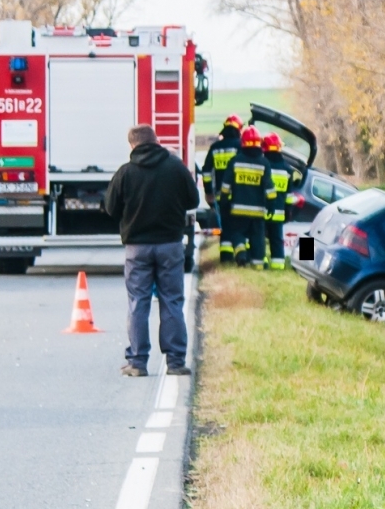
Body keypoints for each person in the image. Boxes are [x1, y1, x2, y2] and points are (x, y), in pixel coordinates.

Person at [104, 125, 199, 377]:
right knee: (172, 301)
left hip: (137, 248)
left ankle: (137, 362)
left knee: (138, 303)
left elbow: (111, 208)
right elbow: (193, 200)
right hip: (170, 245)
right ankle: (175, 362)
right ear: (157, 141)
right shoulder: (176, 167)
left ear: (132, 145)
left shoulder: (125, 172)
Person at [221, 125, 273, 267]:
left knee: (237, 233)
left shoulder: (235, 161)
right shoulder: (264, 163)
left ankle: (241, 254)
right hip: (258, 212)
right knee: (257, 238)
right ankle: (258, 265)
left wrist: (224, 201)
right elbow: (269, 188)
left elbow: (226, 186)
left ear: (243, 143)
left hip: (238, 210)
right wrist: (272, 205)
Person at [202, 115, 242, 264]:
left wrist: (208, 192)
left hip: (221, 195)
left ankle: (226, 258)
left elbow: (206, 172)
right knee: (240, 227)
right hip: (239, 195)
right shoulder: (240, 146)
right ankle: (242, 256)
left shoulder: (215, 148)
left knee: (225, 226)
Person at [261, 133, 300, 270]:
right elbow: (289, 195)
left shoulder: (262, 165)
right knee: (276, 239)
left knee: (259, 237)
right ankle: (278, 265)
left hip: (262, 210)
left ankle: (261, 262)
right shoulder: (287, 169)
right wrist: (288, 211)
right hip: (279, 212)